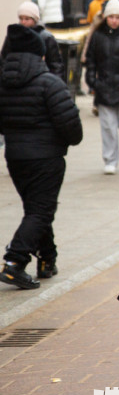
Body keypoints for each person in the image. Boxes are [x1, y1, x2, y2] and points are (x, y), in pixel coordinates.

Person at [0, 25, 82, 290]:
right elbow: (72, 127)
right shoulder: (49, 83)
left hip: (15, 157)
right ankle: (15, 261)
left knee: (35, 209)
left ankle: (47, 258)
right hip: (47, 158)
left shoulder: (3, 83)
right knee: (41, 210)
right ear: (39, 54)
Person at [85, 0, 119, 174]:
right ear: (106, 17)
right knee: (107, 127)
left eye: (118, 17)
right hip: (104, 87)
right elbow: (91, 61)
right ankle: (110, 160)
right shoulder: (97, 36)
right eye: (111, 17)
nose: (114, 20)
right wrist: (92, 82)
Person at [1, 2, 64, 79]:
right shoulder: (13, 37)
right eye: (21, 19)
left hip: (40, 79)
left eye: (27, 19)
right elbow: (4, 58)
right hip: (15, 79)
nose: (23, 22)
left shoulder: (46, 37)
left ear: (35, 19)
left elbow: (55, 64)